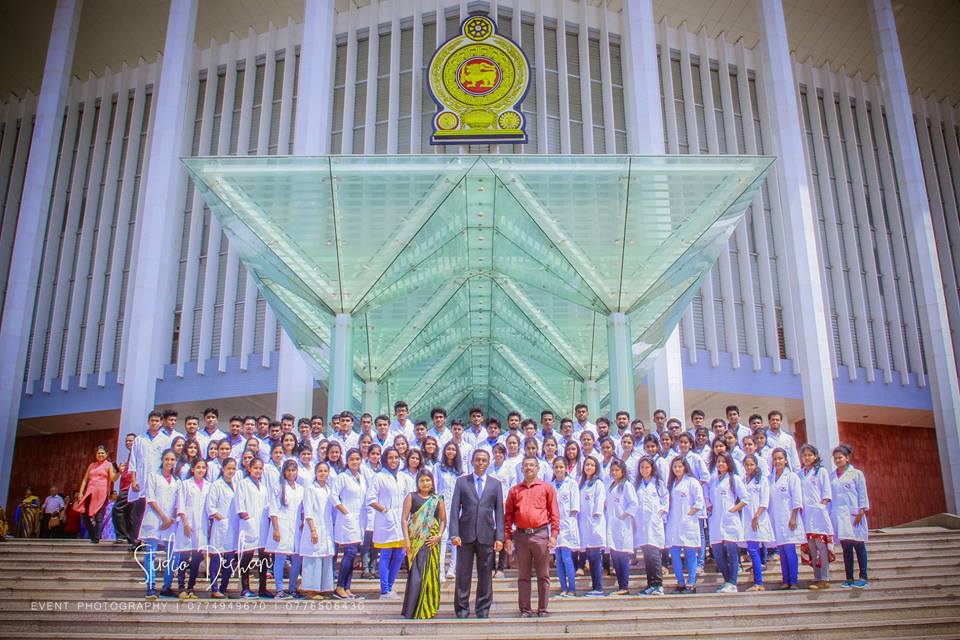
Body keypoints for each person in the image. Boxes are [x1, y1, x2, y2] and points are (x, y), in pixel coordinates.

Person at [449, 449, 505, 619]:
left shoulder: (495, 484)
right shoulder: (462, 482)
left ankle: (483, 609)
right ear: (472, 461)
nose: (480, 463)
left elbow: (499, 512)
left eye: (484, 460)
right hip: (465, 535)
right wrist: (454, 533)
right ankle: (462, 609)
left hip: (486, 534)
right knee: (463, 574)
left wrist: (500, 537)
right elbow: (454, 509)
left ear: (488, 463)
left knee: (485, 574)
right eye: (478, 460)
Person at [505, 456, 560, 617]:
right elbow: (508, 516)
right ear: (521, 469)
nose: (529, 468)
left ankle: (542, 609)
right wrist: (507, 537)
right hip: (521, 536)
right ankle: (525, 609)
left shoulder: (547, 488)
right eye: (526, 465)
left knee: (543, 575)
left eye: (532, 465)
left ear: (537, 468)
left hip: (540, 534)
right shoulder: (514, 491)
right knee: (523, 575)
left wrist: (554, 535)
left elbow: (554, 513)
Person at [401, 470, 447, 619]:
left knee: (430, 575)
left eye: (428, 480)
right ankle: (413, 610)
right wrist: (406, 540)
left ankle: (428, 608)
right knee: (416, 575)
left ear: (432, 482)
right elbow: (404, 519)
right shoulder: (411, 497)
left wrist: (439, 536)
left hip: (431, 542)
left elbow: (443, 520)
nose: (425, 483)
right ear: (417, 482)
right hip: (415, 542)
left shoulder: (437, 499)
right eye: (422, 480)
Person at [367, 447, 411, 600]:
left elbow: (409, 496)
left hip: (401, 521)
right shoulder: (379, 477)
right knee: (386, 555)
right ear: (385, 459)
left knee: (399, 555)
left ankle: (390, 587)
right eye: (391, 457)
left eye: (396, 457)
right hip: (386, 520)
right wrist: (385, 510)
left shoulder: (403, 477)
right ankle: (384, 590)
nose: (394, 460)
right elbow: (370, 499)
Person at [706, 452, 747, 593]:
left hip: (729, 519)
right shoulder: (713, 479)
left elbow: (745, 498)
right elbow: (708, 496)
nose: (720, 464)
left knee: (732, 552)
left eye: (723, 461)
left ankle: (732, 582)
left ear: (729, 463)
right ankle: (727, 581)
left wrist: (733, 509)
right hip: (715, 519)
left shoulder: (734, 478)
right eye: (718, 461)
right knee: (717, 553)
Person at [830, 444, 870, 589]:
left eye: (840, 458)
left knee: (859, 546)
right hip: (840, 516)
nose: (837, 460)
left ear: (847, 458)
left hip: (854, 514)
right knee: (846, 548)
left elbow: (862, 493)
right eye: (835, 458)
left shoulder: (856, 474)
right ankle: (849, 578)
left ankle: (863, 577)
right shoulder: (832, 476)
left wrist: (861, 511)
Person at [141, 449, 179, 599]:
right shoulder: (153, 476)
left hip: (171, 522)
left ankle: (166, 587)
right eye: (167, 459)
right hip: (154, 519)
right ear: (162, 460)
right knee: (151, 554)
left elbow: (178, 503)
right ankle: (150, 587)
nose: (170, 462)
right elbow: (151, 499)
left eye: (172, 460)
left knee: (173, 556)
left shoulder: (177, 481)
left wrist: (171, 519)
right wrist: (164, 518)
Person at [331, 448, 367, 600]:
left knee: (352, 555)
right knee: (350, 552)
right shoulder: (342, 477)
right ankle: (339, 587)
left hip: (359, 519)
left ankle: (347, 588)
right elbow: (333, 496)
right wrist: (345, 512)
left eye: (357, 459)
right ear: (347, 461)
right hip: (347, 519)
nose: (355, 462)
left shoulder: (361, 477)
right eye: (352, 459)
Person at [798, 443, 834, 589]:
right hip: (806, 516)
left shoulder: (821, 471)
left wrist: (821, 506)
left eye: (810, 455)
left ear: (815, 456)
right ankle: (817, 577)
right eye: (804, 455)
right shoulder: (800, 474)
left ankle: (825, 578)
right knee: (812, 548)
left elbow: (827, 493)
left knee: (821, 547)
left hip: (818, 514)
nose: (807, 458)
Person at [665, 457, 704, 594]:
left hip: (688, 522)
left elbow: (699, 501)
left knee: (690, 553)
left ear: (685, 467)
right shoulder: (671, 483)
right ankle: (680, 583)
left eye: (680, 466)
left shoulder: (692, 482)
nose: (677, 469)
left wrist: (689, 514)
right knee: (674, 554)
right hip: (673, 522)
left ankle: (691, 584)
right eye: (674, 467)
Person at [267, 460, 304, 599]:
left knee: (297, 558)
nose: (291, 473)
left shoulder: (301, 489)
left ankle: (293, 588)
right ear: (284, 472)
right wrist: (276, 529)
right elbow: (273, 510)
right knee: (280, 558)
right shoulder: (278, 487)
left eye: (293, 470)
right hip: (282, 526)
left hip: (296, 527)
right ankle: (279, 590)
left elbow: (303, 509)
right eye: (288, 470)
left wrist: (303, 522)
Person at [769, 448, 805, 590]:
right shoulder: (770, 478)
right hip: (776, 519)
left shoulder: (792, 477)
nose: (777, 461)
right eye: (775, 459)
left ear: (785, 460)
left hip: (789, 517)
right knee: (782, 552)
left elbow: (797, 499)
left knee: (789, 551)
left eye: (780, 458)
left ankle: (793, 581)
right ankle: (785, 580)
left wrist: (794, 517)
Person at [174, 458, 210, 599]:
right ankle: (181, 587)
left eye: (203, 467)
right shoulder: (185, 484)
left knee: (196, 558)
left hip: (202, 525)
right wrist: (185, 524)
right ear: (193, 469)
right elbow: (181, 505)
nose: (201, 470)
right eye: (198, 467)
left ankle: (191, 588)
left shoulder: (209, 486)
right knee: (184, 557)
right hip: (187, 525)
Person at [236, 457, 271, 598]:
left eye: (260, 468)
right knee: (247, 557)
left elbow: (267, 505)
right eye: (255, 468)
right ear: (249, 468)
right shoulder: (243, 484)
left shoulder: (264, 487)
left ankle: (263, 588)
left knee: (264, 558)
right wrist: (246, 517)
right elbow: (240, 504)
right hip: (249, 524)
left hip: (262, 525)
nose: (258, 470)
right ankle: (245, 588)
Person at [301, 461, 336, 599]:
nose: (323, 473)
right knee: (313, 558)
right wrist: (313, 530)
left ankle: (324, 588)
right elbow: (308, 511)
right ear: (315, 473)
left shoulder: (329, 489)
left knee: (325, 556)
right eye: (320, 471)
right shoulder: (311, 489)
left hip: (326, 527)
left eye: (325, 471)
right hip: (314, 527)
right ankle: (311, 590)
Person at [206, 458, 240, 598]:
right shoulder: (216, 485)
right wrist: (221, 519)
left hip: (233, 526)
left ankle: (223, 587)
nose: (231, 471)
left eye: (233, 468)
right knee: (216, 559)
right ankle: (214, 588)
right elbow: (210, 506)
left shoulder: (237, 484)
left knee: (229, 560)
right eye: (228, 468)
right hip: (221, 526)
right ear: (223, 469)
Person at [634, 456, 668, 595]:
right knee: (647, 556)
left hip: (654, 523)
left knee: (654, 555)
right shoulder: (637, 484)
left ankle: (658, 584)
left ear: (652, 468)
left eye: (647, 467)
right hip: (642, 524)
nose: (644, 470)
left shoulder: (658, 484)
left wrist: (661, 512)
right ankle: (650, 584)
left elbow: (665, 500)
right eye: (642, 467)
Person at [741, 454, 774, 591]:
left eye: (751, 465)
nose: (749, 467)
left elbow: (764, 501)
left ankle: (758, 583)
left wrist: (756, 517)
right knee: (752, 550)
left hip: (758, 518)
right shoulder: (743, 480)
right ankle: (758, 582)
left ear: (756, 465)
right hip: (746, 518)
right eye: (747, 465)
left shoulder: (762, 480)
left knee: (754, 550)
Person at [604, 459, 637, 596]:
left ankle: (624, 585)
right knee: (615, 556)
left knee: (622, 556)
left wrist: (624, 514)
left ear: (623, 471)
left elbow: (634, 503)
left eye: (617, 470)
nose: (614, 472)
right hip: (612, 525)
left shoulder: (627, 485)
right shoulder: (611, 485)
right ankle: (620, 585)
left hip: (622, 525)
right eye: (612, 470)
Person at [577, 456, 607, 597]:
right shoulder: (583, 484)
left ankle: (598, 588)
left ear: (596, 468)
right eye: (587, 465)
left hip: (595, 524)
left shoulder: (598, 483)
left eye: (592, 465)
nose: (589, 467)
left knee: (595, 558)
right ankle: (595, 587)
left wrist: (595, 518)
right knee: (590, 556)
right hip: (585, 525)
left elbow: (599, 502)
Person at [551, 456, 580, 597]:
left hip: (567, 525)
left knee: (567, 558)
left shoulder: (572, 484)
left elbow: (574, 508)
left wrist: (569, 524)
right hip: (554, 526)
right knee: (558, 559)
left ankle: (572, 589)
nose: (559, 469)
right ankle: (563, 588)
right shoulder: (550, 485)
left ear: (566, 468)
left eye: (561, 467)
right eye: (556, 467)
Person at [77, 445, 119, 544]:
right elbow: (85, 480)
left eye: (102, 453)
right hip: (90, 492)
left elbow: (113, 479)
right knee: (85, 516)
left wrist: (119, 472)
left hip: (101, 493)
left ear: (106, 454)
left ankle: (96, 538)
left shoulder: (108, 465)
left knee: (99, 517)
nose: (100, 454)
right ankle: (92, 535)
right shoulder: (92, 465)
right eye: (98, 453)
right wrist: (81, 493)